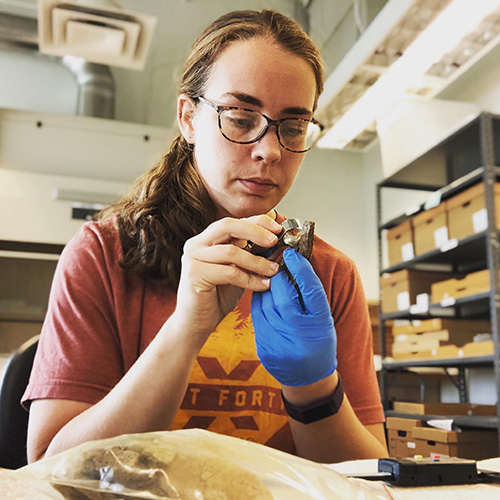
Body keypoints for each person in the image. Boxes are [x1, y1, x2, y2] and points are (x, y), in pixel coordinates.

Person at [23, 9, 388, 464]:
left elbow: (368, 476)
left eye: (293, 126)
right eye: (239, 116)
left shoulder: (330, 275)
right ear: (189, 117)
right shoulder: (103, 254)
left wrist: (314, 389)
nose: (270, 150)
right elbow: (47, 467)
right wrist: (185, 330)